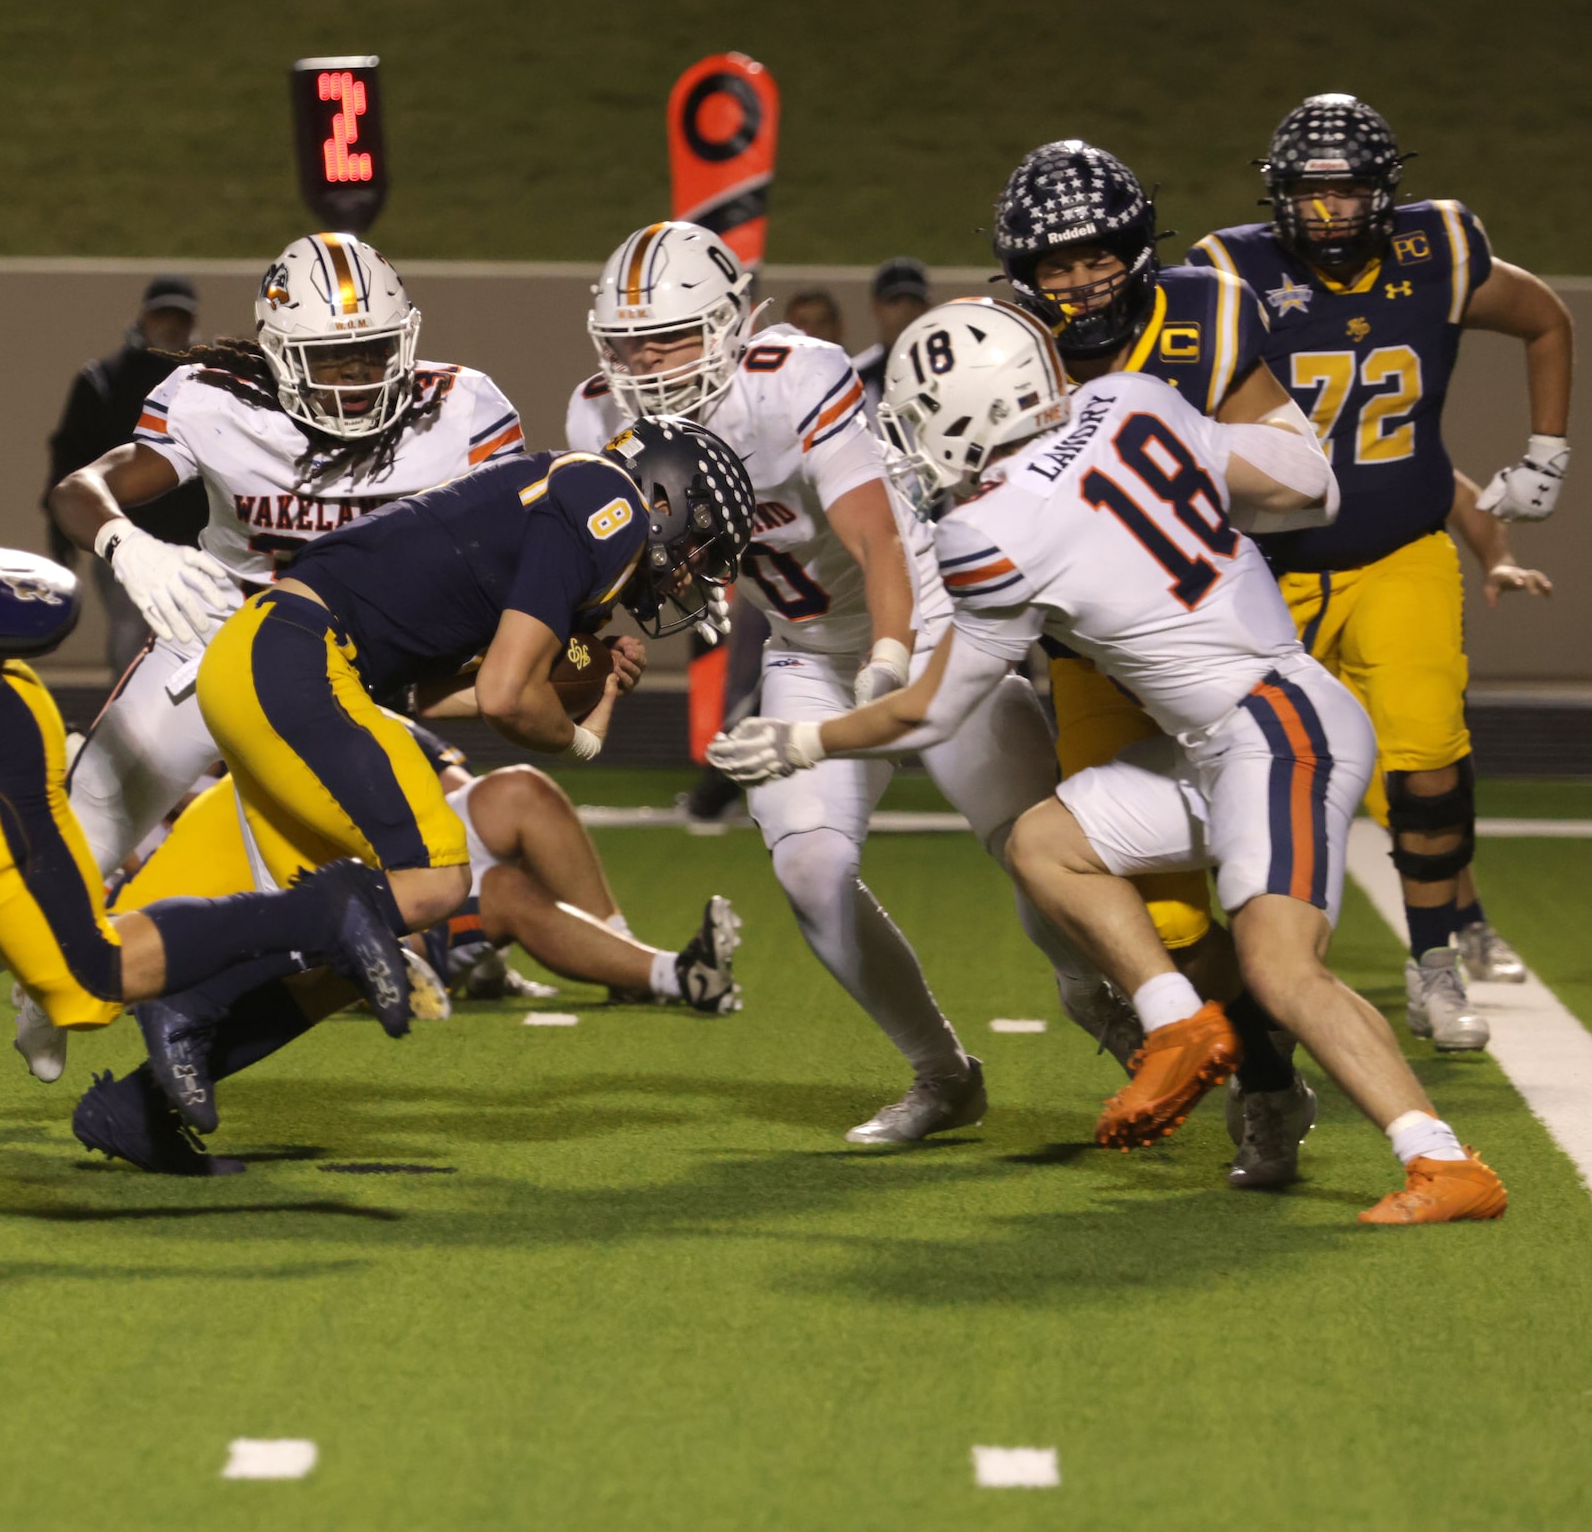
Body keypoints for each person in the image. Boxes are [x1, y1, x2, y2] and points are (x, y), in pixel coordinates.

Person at [716, 302, 1508, 1224]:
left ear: (960, 415)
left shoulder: (991, 532)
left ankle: (1443, 1162)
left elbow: (932, 709)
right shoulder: (1129, 397)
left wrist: (806, 739)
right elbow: (1295, 489)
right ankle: (1175, 1019)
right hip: (1220, 736)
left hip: (1274, 734)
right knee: (1044, 842)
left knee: (1280, 967)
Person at [0, 233, 526, 1125]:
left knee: (340, 894)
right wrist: (125, 542)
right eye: (333, 356)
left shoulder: (465, 410)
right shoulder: (215, 401)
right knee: (77, 838)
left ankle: (133, 1007)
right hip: (217, 631)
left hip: (351, 663)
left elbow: (512, 552)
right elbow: (80, 485)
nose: (359, 374)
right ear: (279, 354)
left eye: (373, 349)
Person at [70, 416, 755, 1156]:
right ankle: (189, 998)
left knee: (352, 959)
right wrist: (576, 733)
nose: (687, 574)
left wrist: (579, 691)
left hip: (276, 664)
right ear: (664, 496)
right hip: (296, 656)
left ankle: (136, 1109)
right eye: (696, 547)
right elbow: (503, 696)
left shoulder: (560, 519)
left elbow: (434, 696)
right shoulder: (601, 496)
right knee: (433, 880)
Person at [570, 224, 1089, 1144]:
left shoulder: (792, 375)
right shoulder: (595, 416)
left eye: (674, 336)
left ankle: (1103, 998)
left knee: (1033, 851)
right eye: (628, 341)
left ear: (732, 324)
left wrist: (891, 661)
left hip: (926, 619)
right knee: (810, 869)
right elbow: (641, 576)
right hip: (805, 645)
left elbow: (872, 538)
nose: (646, 362)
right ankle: (941, 1073)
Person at [1190, 94, 1574, 1047]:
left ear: (1383, 192)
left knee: (1429, 767)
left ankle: (1435, 961)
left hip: (1400, 554)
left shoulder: (1433, 251)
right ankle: (1238, 977)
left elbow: (1546, 319)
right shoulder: (1227, 270)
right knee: (1225, 776)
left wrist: (1546, 453)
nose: (1326, 215)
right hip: (1263, 569)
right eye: (1308, 196)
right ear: (1277, 197)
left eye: (1347, 192)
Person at [984, 139, 1324, 1185]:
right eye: (1053, 265)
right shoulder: (1000, 350)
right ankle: (1265, 1073)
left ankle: (1272, 1060)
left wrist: (1186, 452)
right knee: (1164, 925)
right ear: (1019, 274)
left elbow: (1303, 467)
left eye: (1096, 258)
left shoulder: (1205, 316)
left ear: (1136, 251)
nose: (1079, 283)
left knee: (1260, 898)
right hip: (1092, 656)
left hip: (1220, 636)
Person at [57, 732, 740, 1169]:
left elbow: (444, 781)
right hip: (248, 906)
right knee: (407, 917)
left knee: (504, 808)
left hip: (323, 876)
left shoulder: (294, 689)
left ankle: (143, 1099)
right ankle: (671, 976)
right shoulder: (226, 720)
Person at [44, 274, 206, 672]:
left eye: (179, 317)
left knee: (202, 638)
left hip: (198, 540)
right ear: (143, 317)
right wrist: (59, 527)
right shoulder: (103, 379)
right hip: (126, 534)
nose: (170, 325)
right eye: (161, 315)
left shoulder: (209, 379)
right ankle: (129, 727)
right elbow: (71, 454)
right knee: (132, 637)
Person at [848, 256, 932, 405]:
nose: (905, 311)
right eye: (895, 301)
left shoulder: (950, 372)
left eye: (914, 301)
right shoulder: (854, 377)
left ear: (927, 308)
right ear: (876, 307)